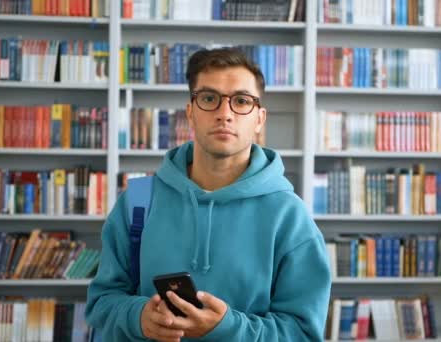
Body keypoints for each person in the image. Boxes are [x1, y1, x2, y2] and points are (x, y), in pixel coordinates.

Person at [85, 47, 331, 341]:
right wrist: (138, 318)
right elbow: (101, 303)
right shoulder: (138, 200)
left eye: (241, 101)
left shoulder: (290, 217)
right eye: (209, 99)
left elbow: (303, 333)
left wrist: (228, 329)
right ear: (191, 111)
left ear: (259, 119)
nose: (224, 114)